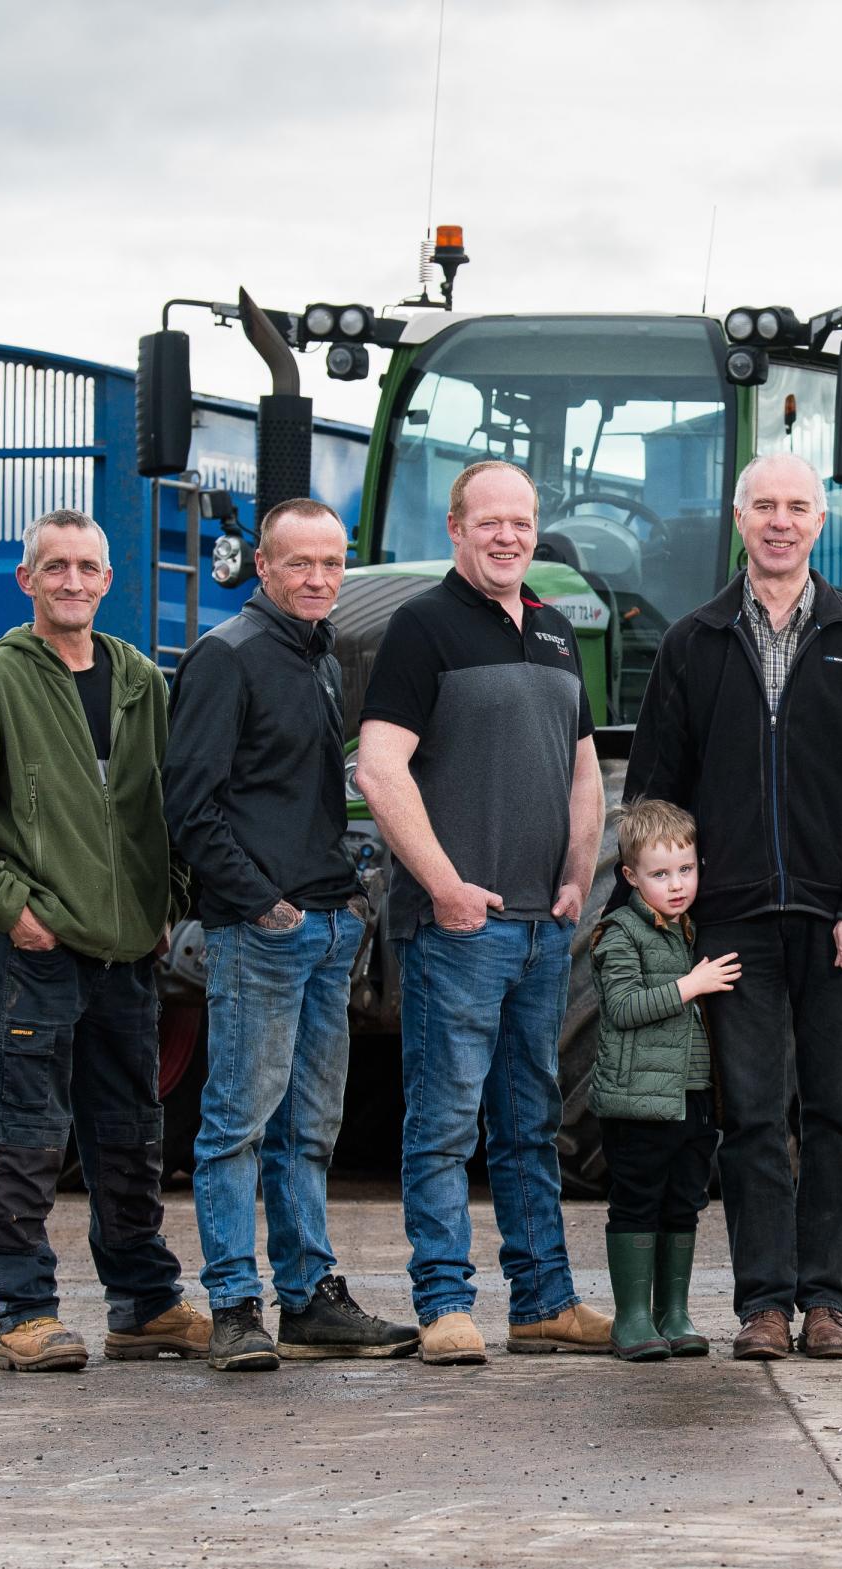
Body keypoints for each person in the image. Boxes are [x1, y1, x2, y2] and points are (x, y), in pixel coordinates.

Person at [621, 449, 842, 1361]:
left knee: (836, 1112)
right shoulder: (693, 641)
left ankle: (827, 1302)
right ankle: (765, 1307)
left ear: (819, 525)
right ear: (740, 519)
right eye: (764, 506)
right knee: (750, 1115)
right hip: (734, 926)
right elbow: (656, 799)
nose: (781, 521)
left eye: (798, 506)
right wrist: (674, 917)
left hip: (838, 925)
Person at [0, 509, 209, 1372]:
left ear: (108, 581)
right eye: (56, 568)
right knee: (27, 1130)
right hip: (37, 955)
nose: (73, 582)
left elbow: (170, 806)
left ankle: (144, 1304)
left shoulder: (141, 682)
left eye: (87, 567)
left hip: (128, 956)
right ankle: (24, 1311)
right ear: (27, 580)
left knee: (131, 1134)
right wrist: (12, 909)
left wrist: (169, 899)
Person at [353, 460, 612, 1366]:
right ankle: (444, 1304)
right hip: (459, 931)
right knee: (443, 1122)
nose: (508, 537)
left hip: (544, 927)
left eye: (523, 523)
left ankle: (544, 1302)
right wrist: (447, 887)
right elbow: (379, 770)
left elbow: (583, 767)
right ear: (457, 528)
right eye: (490, 522)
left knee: (531, 1122)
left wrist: (579, 875)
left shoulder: (550, 630)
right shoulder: (422, 628)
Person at [163, 498, 416, 1372]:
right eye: (299, 565)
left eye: (331, 565)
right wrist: (264, 906)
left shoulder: (319, 658)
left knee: (310, 1128)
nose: (318, 580)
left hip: (325, 927)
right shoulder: (225, 658)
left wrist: (341, 907)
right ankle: (235, 1306)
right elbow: (188, 808)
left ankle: (309, 1297)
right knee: (236, 1124)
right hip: (261, 933)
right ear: (262, 568)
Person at [589, 798, 735, 1361]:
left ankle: (673, 1312)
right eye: (660, 874)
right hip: (636, 1103)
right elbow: (622, 1006)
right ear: (630, 876)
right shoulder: (618, 933)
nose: (676, 885)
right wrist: (689, 986)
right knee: (637, 1201)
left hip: (692, 1095)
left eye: (686, 870)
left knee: (683, 1202)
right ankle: (631, 1318)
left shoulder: (691, 928)